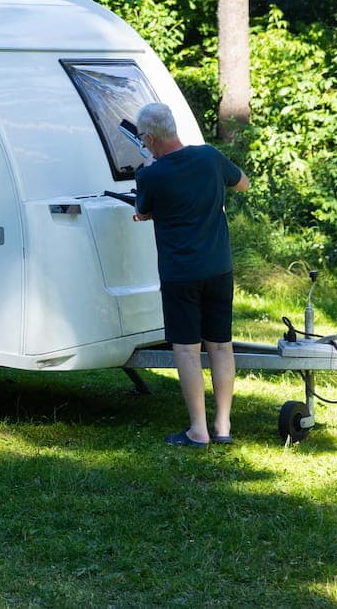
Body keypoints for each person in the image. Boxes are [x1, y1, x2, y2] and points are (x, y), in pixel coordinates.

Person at [131, 103, 250, 448]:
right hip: (219, 268)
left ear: (150, 138)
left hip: (180, 273)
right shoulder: (210, 157)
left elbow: (143, 210)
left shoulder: (151, 174)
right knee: (221, 345)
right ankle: (223, 426)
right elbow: (242, 183)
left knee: (186, 349)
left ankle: (198, 429)